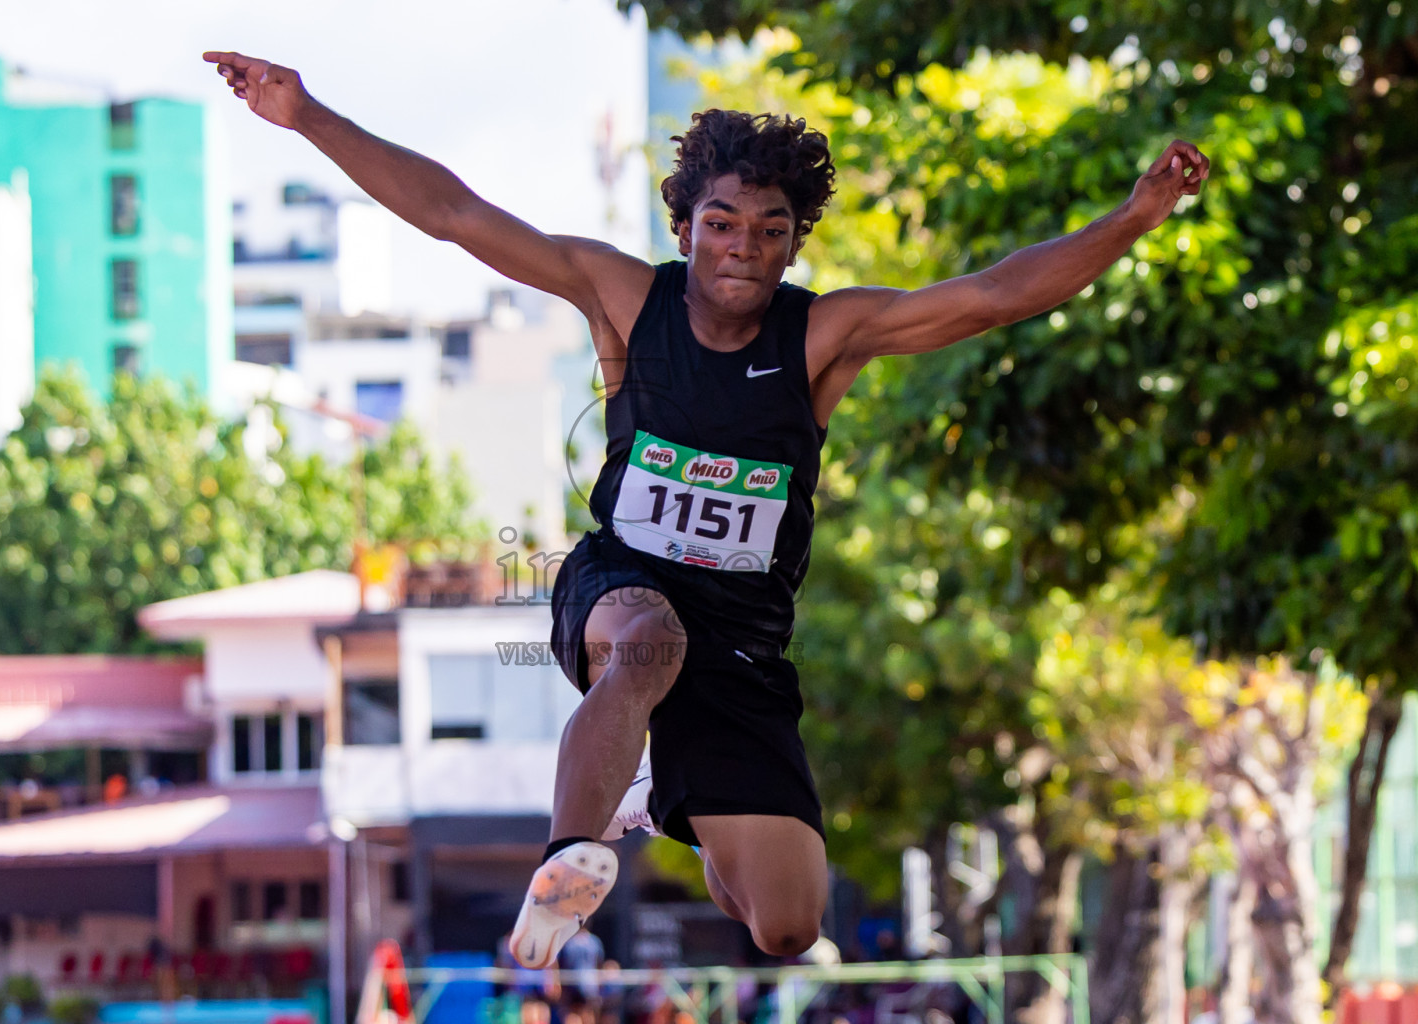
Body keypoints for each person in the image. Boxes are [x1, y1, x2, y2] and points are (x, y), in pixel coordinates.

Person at [203, 50, 1210, 970]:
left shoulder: (825, 333)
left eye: (771, 232)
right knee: (646, 643)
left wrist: (1131, 219)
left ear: (793, 242)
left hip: (743, 638)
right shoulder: (624, 297)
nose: (743, 249)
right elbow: (457, 215)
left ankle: (676, 803)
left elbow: (991, 296)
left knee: (785, 925)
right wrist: (309, 116)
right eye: (722, 225)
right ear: (685, 225)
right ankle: (569, 862)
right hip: (623, 582)